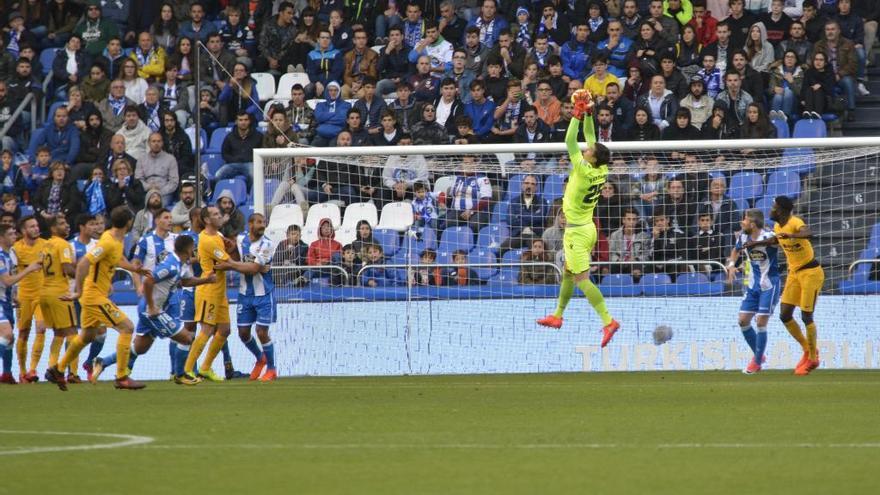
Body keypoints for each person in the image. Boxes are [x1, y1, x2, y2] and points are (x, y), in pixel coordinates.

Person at [536, 90, 620, 346]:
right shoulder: (601, 168)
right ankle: (558, 315)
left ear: (591, 157)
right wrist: (589, 114)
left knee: (581, 279)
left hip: (576, 231)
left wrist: (576, 114)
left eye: (589, 150)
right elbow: (591, 137)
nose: (586, 149)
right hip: (588, 226)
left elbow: (571, 141)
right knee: (569, 274)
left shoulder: (583, 169)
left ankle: (608, 321)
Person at [47, 206, 150, 390]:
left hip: (95, 294)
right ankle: (121, 376)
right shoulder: (108, 242)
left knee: (86, 336)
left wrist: (135, 269)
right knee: (127, 328)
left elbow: (117, 259)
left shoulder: (115, 239)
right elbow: (83, 264)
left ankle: (58, 369)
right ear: (129, 222)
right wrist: (78, 291)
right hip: (94, 295)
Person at [91, 234, 213, 385]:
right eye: (193, 247)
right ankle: (180, 374)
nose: (194, 250)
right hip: (151, 311)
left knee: (141, 347)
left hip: (152, 309)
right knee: (187, 338)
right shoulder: (170, 265)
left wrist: (206, 280)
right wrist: (152, 306)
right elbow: (149, 281)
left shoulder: (181, 264)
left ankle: (103, 362)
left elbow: (186, 281)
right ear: (188, 249)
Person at [744, 196, 824, 376]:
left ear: (780, 210)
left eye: (773, 207)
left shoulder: (795, 222)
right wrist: (755, 243)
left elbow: (808, 233)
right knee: (785, 314)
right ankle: (807, 349)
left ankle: (812, 358)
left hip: (811, 272)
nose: (770, 210)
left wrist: (792, 235)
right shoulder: (778, 226)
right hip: (794, 274)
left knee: (806, 316)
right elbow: (775, 240)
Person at [179, 205, 249, 383]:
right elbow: (230, 263)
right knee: (207, 330)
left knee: (224, 330)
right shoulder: (208, 241)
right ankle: (186, 371)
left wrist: (230, 244)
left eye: (219, 213)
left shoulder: (216, 235)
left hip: (219, 290)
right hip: (208, 290)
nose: (220, 216)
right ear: (207, 220)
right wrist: (251, 268)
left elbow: (226, 251)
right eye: (216, 214)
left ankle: (205, 368)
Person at [723, 209, 779, 374]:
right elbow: (735, 251)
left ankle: (756, 362)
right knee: (743, 320)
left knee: (761, 322)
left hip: (769, 285)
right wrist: (732, 265)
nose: (742, 222)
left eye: (745, 220)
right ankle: (759, 355)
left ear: (753, 224)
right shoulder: (743, 237)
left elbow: (781, 242)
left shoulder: (769, 236)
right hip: (753, 285)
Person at [234, 213, 279, 382]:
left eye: (264, 222)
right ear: (250, 223)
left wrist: (231, 265)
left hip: (263, 294)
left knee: (261, 332)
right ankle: (260, 358)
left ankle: (272, 369)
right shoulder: (240, 239)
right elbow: (232, 252)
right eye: (259, 222)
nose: (263, 225)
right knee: (243, 333)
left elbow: (254, 268)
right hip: (244, 294)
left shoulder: (267, 243)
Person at [38, 215, 80, 383]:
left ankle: (51, 368)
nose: (67, 225)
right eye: (62, 223)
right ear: (54, 228)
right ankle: (72, 373)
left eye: (67, 222)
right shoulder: (63, 244)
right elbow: (67, 269)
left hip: (45, 293)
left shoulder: (46, 244)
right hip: (59, 293)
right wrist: (84, 274)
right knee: (72, 333)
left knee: (58, 333)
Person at [0, 224, 42, 384]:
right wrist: (29, 269)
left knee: (10, 340)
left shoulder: (11, 254)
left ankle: (6, 374)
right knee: (7, 334)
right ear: (2, 237)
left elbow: (9, 280)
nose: (14, 237)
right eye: (10, 234)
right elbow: (7, 280)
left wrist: (15, 297)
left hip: (6, 302)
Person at [11, 216, 47, 382]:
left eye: (37, 226)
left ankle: (33, 370)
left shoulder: (46, 245)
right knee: (23, 333)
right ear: (23, 231)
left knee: (41, 328)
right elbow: (10, 273)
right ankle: (23, 371)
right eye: (31, 227)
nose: (36, 229)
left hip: (41, 295)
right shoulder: (16, 249)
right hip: (23, 296)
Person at [217, 111, 262, 191]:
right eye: (240, 120)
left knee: (254, 175)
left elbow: (262, 150)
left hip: (251, 163)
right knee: (218, 175)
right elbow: (224, 153)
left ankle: (251, 196)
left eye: (245, 120)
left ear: (249, 121)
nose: (243, 122)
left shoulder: (258, 136)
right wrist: (234, 159)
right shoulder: (229, 136)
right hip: (233, 164)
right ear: (236, 122)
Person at [136, 132, 178, 205]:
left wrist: (160, 191)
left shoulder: (171, 159)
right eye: (154, 141)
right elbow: (138, 179)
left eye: (159, 141)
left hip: (164, 193)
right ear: (149, 143)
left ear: (162, 143)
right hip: (146, 192)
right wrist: (148, 187)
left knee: (158, 204)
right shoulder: (141, 159)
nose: (156, 144)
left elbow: (174, 182)